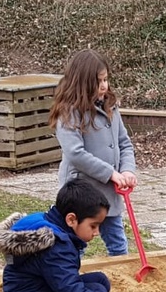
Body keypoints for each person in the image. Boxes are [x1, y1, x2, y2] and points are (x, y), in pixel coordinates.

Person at [0, 177, 134, 292]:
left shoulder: (47, 222)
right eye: (93, 226)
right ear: (71, 219)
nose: (97, 233)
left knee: (100, 281)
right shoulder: (56, 246)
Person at [51, 49, 138, 257]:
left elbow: (124, 143)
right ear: (81, 82)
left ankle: (123, 279)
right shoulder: (69, 112)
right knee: (75, 244)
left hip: (110, 191)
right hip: (81, 193)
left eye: (106, 79)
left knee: (117, 242)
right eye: (98, 81)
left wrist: (127, 171)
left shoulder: (111, 107)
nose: (103, 86)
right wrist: (111, 173)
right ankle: (70, 278)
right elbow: (75, 153)